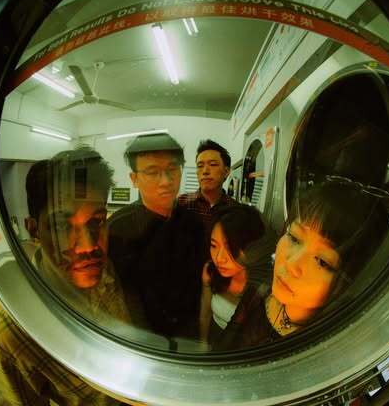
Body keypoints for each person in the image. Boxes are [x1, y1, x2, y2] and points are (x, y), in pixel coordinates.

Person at [0, 146, 130, 406]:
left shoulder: (104, 267)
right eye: (61, 226)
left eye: (96, 221)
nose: (87, 246)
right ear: (34, 230)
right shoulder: (8, 336)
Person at [212, 179, 389, 351]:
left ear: (350, 283)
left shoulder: (332, 349)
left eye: (323, 262)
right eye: (294, 238)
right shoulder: (259, 293)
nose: (291, 264)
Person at [107, 132, 205, 344]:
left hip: (188, 337)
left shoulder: (195, 223)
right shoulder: (117, 229)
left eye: (172, 169)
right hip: (140, 341)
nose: (166, 181)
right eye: (152, 172)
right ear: (134, 179)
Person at [199, 204, 272, 349]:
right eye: (214, 245)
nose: (219, 258)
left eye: (230, 248)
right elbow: (205, 313)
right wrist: (202, 344)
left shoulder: (264, 286)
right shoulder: (211, 271)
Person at [179, 139, 238, 241]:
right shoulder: (180, 204)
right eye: (200, 166)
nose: (205, 171)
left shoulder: (236, 211)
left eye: (213, 164)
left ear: (226, 171)